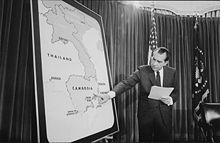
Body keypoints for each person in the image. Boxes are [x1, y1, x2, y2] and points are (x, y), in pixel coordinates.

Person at [99, 47, 179, 143]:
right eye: (153, 59)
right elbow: (126, 83)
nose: (154, 63)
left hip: (164, 115)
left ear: (166, 63)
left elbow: (176, 93)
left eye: (159, 61)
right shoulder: (142, 71)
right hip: (146, 116)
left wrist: (170, 99)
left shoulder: (172, 72)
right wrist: (109, 95)